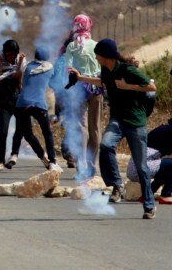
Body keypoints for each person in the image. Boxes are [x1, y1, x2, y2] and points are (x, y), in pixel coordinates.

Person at [76, 37, 158, 220]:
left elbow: (151, 86)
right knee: (105, 146)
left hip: (136, 122)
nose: (96, 58)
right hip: (117, 120)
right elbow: (101, 82)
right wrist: (80, 77)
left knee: (141, 167)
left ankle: (149, 205)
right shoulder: (106, 70)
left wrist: (128, 86)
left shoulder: (127, 70)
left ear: (106, 56)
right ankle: (116, 184)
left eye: (98, 55)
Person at [60, 14, 103, 175]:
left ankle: (81, 163)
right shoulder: (96, 45)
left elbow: (68, 69)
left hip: (79, 89)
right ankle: (93, 164)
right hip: (97, 88)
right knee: (96, 127)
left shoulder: (72, 46)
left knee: (81, 126)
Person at [11, 47, 59, 168]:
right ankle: (52, 161)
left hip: (22, 102)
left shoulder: (27, 66)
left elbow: (19, 75)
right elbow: (54, 83)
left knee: (19, 130)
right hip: (39, 103)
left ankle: (14, 155)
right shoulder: (49, 67)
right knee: (47, 133)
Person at [0, 38, 25, 171]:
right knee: (3, 130)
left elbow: (20, 81)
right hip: (2, 99)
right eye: (7, 55)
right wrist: (0, 67)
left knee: (21, 129)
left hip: (17, 97)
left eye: (12, 55)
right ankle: (0, 160)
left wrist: (20, 65)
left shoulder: (21, 60)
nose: (10, 57)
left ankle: (14, 154)